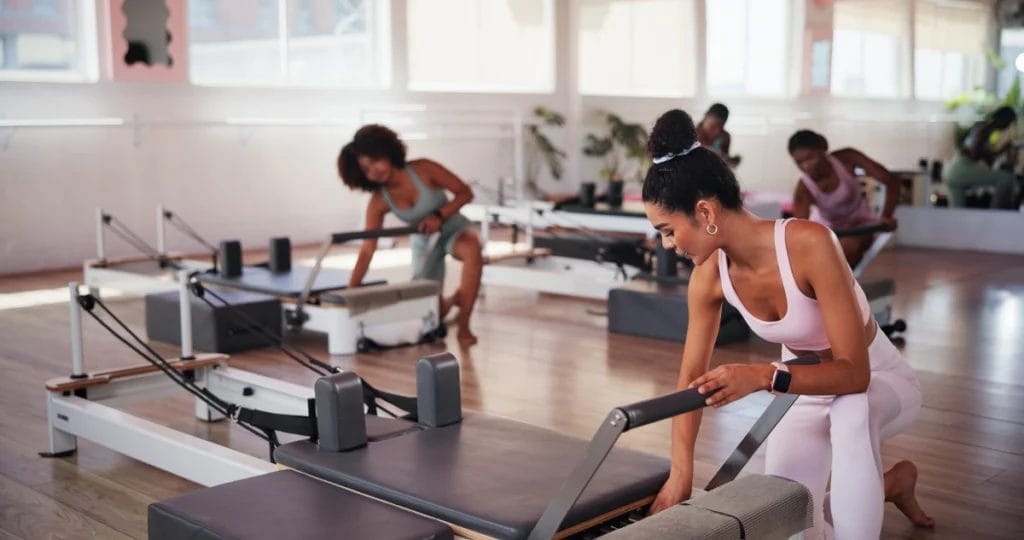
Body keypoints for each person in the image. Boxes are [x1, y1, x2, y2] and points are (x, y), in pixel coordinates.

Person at [643, 109, 933, 539]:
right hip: (800, 392)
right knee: (791, 523)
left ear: (704, 212)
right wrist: (680, 475)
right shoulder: (709, 276)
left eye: (668, 231)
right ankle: (892, 484)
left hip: (877, 382)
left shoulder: (809, 243)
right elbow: (691, 377)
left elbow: (854, 374)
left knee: (851, 410)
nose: (667, 245)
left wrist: (761, 376)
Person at [337, 124, 482, 347]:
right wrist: (350, 293)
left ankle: (464, 327)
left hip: (454, 229)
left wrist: (438, 216)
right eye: (366, 170)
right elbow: (367, 249)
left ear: (387, 152)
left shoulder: (424, 169)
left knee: (472, 249)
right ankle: (455, 299)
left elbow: (465, 192)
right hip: (424, 244)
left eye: (374, 161)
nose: (374, 171)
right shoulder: (378, 201)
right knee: (431, 316)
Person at [787, 130, 901, 267]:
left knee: (849, 249)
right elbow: (799, 230)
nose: (806, 166)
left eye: (810, 158)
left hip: (861, 222)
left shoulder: (847, 158)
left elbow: (891, 181)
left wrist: (886, 215)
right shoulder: (803, 189)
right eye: (799, 162)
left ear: (823, 150)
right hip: (828, 228)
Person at [943, 105, 1018, 209]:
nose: (1007, 126)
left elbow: (985, 159)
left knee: (958, 213)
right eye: (1008, 122)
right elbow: (975, 153)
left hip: (952, 170)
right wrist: (999, 151)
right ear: (1002, 119)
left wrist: (1001, 152)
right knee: (1006, 179)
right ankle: (996, 215)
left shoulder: (982, 128)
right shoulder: (985, 129)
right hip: (960, 168)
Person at [696, 103, 740, 168]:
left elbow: (725, 166)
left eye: (721, 127)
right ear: (705, 118)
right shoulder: (692, 135)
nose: (717, 132)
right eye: (712, 126)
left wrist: (729, 161)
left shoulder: (725, 137)